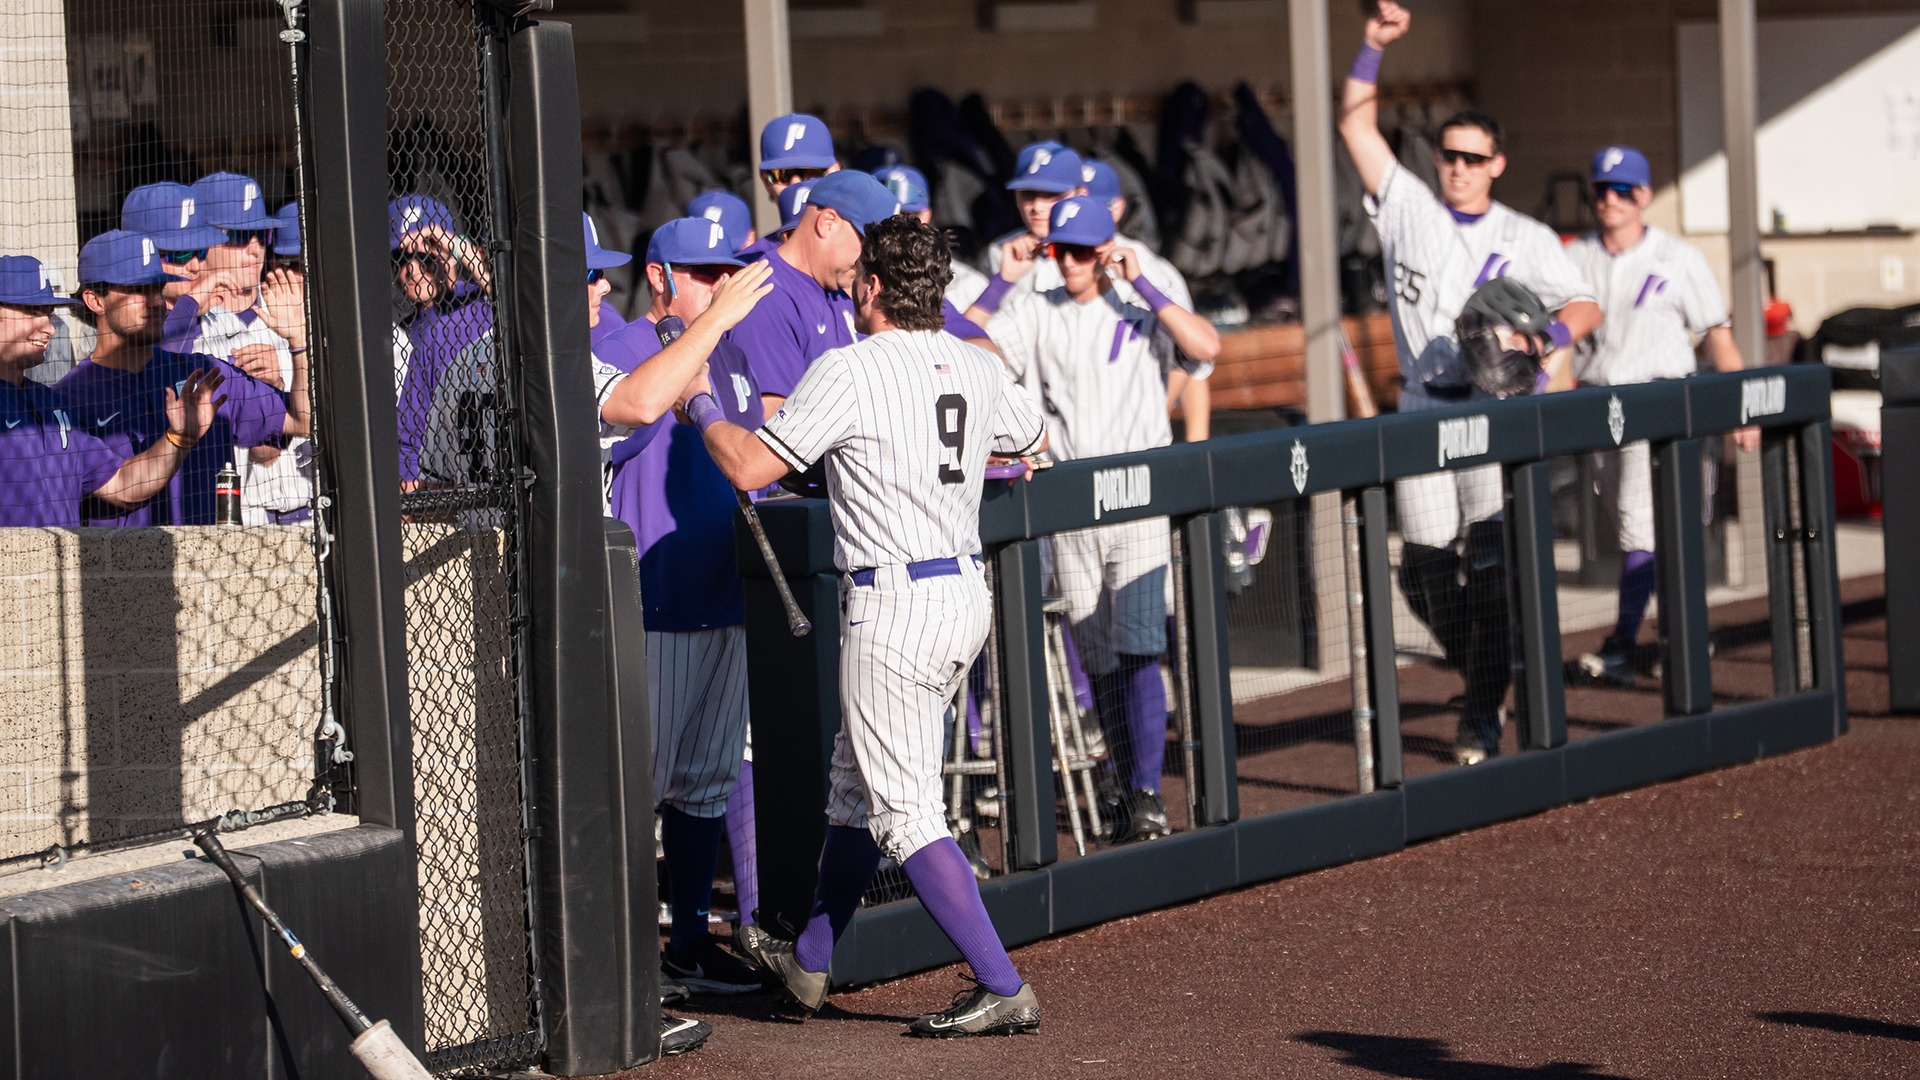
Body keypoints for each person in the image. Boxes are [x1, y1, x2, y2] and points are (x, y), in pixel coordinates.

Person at [695, 214, 1049, 1038]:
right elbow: (1033, 444)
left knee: (904, 813)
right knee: (855, 791)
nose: (852, 290)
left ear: (876, 288)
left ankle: (1002, 983)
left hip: (893, 602)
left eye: (860, 280)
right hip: (962, 590)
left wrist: (705, 407)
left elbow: (751, 467)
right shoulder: (976, 359)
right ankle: (810, 962)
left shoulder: (848, 368)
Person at [1339, 0, 1601, 764]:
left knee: (1488, 571)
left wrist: (1545, 339)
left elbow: (1584, 303)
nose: (1457, 166)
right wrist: (1370, 48)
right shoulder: (1410, 208)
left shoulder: (1526, 235)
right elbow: (1356, 128)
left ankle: (1480, 715)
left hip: (1491, 412)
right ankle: (1489, 672)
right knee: (1423, 574)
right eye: (1449, 154)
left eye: (1472, 157)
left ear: (1497, 164)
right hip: (1423, 405)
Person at [972, 196, 1221, 844]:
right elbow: (965, 352)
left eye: (1085, 250)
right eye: (1063, 249)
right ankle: (1121, 778)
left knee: (1141, 644)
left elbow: (1206, 347)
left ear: (1107, 247)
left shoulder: (1143, 290)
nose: (1072, 263)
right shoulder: (1038, 304)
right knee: (1099, 651)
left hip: (1140, 492)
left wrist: (1136, 278)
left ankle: (1146, 790)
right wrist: (1003, 280)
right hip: (1072, 499)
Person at [592, 217, 777, 997]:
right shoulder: (625, 347)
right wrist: (697, 339)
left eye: (725, 270)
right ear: (661, 274)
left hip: (726, 593)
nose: (719, 284)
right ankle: (624, 955)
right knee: (640, 789)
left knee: (704, 783)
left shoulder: (730, 353)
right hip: (655, 603)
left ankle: (691, 941)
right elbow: (621, 429)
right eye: (701, 271)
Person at [1563, 145, 1751, 687]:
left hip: (1662, 403)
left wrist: (1741, 405)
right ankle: (1681, 631)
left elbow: (1718, 335)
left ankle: (1629, 640)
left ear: (1643, 195)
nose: (1610, 200)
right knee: (1633, 524)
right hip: (1598, 405)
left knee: (1643, 521)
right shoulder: (1575, 258)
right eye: (1601, 189)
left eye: (1622, 190)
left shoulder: (1678, 257)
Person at [56, 230, 307, 525]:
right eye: (137, 290)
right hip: (124, 565)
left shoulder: (205, 374)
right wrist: (177, 438)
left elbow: (301, 420)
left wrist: (299, 342)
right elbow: (122, 488)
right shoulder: (65, 401)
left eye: (156, 288)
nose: (154, 301)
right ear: (95, 301)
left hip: (211, 561)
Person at [0, 254, 222, 526]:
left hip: (61, 566)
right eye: (33, 312)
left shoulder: (51, 404)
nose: (48, 328)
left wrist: (177, 439)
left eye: (47, 313)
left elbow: (122, 483)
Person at [725, 169, 897, 412]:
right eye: (868, 245)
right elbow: (771, 428)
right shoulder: (767, 295)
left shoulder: (839, 285)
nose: (871, 259)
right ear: (827, 223)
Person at [389, 194, 494, 490]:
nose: (412, 268)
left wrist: (454, 242)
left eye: (426, 256)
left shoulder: (481, 303)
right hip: (433, 485)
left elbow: (512, 303)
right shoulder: (397, 330)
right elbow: (406, 440)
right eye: (400, 257)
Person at [965, 141, 1086, 325]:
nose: (1037, 206)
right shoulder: (999, 252)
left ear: (1081, 194)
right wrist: (1002, 281)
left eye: (1052, 194)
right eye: (1028, 194)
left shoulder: (1115, 253)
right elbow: (969, 334)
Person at [738, 113, 840, 263]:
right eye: (782, 175)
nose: (795, 183)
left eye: (809, 173)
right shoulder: (749, 265)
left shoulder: (865, 253)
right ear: (766, 181)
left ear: (834, 173)